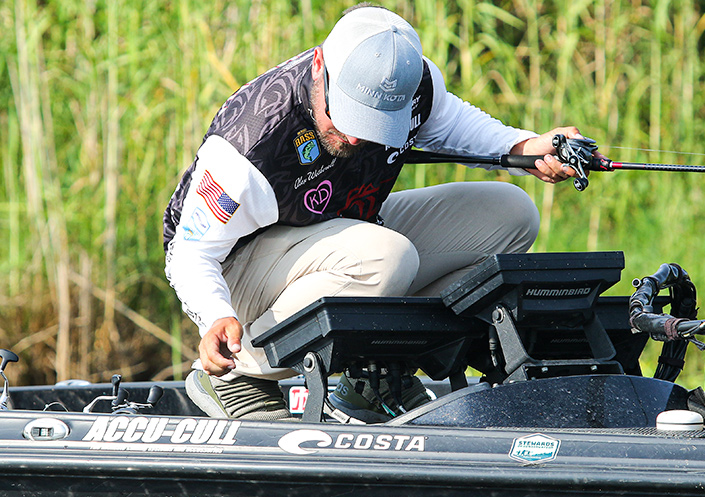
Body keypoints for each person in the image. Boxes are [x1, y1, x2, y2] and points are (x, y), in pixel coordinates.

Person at [163, 4, 593, 421]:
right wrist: (215, 316)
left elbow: (454, 126)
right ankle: (239, 375)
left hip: (341, 237)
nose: (355, 137)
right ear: (319, 66)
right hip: (239, 278)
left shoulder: (414, 83)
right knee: (386, 256)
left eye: (374, 121)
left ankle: (376, 371)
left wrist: (525, 146)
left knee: (512, 215)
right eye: (346, 115)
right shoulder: (248, 146)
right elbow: (189, 254)